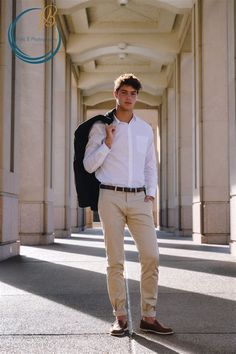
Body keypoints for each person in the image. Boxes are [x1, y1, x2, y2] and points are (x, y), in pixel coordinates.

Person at [83, 73, 173, 336]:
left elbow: (149, 165)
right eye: (124, 92)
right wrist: (107, 144)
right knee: (115, 261)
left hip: (139, 199)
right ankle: (120, 316)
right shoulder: (101, 127)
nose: (129, 97)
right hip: (109, 197)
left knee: (151, 256)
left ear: (137, 96)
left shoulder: (145, 129)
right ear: (116, 94)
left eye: (133, 93)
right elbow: (89, 165)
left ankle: (149, 316)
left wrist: (151, 193)